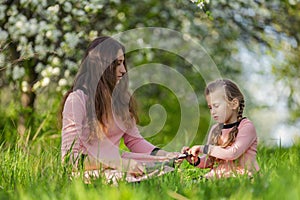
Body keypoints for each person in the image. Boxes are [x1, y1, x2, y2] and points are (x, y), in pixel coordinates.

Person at [60, 36, 177, 180]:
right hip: (91, 171)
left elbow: (135, 141)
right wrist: (119, 163)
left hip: (118, 166)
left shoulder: (121, 100)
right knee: (125, 178)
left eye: (123, 63)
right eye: (117, 64)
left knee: (166, 167)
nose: (123, 70)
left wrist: (165, 156)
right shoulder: (77, 100)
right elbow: (69, 160)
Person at [182, 79, 259, 179]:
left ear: (234, 104)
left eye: (216, 106)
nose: (213, 111)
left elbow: (232, 153)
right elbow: (210, 161)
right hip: (217, 176)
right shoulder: (215, 130)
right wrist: (195, 160)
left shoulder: (246, 126)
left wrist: (203, 148)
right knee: (193, 184)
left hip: (242, 176)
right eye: (210, 107)